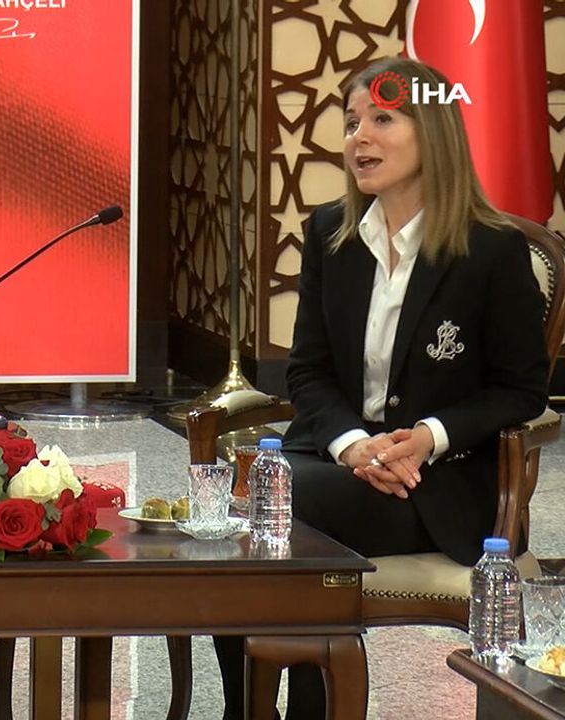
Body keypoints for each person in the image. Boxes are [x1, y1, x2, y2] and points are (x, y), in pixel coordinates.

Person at [214, 56, 549, 719]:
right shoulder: (330, 235)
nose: (359, 137)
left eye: (382, 120)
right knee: (252, 513)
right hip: (341, 463)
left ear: (433, 132)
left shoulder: (491, 250)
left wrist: (427, 437)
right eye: (350, 123)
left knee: (279, 505)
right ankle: (252, 710)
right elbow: (307, 370)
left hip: (435, 485)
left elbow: (521, 390)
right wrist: (351, 445)